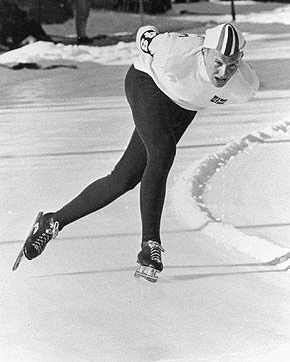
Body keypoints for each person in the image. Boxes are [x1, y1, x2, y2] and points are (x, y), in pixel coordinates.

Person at [13, 23, 259, 282]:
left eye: (232, 66)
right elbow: (145, 33)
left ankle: (53, 222)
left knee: (124, 178)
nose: (223, 72)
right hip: (147, 83)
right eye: (217, 62)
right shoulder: (176, 50)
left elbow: (221, 84)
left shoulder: (245, 85)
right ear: (204, 52)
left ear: (240, 61)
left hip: (182, 106)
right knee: (163, 151)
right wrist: (152, 36)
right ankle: (150, 245)